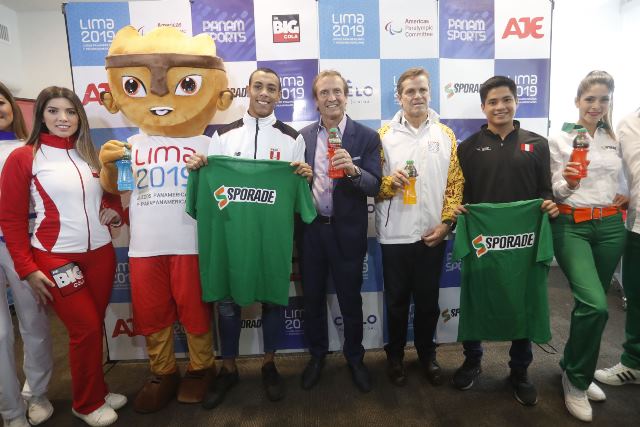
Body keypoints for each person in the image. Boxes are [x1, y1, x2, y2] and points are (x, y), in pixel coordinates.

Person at [186, 68, 312, 408]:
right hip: (230, 236)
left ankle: (269, 364)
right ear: (248, 90)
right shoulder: (223, 135)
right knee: (227, 304)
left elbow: (299, 192)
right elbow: (211, 188)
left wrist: (305, 176)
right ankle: (228, 368)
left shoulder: (292, 138)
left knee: (273, 299)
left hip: (271, 237)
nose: (264, 93)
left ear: (279, 95)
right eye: (259, 86)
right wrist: (200, 169)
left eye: (272, 88)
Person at [0, 86, 126, 427]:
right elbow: (11, 218)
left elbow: (110, 196)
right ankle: (86, 403)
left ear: (79, 117)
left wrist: (114, 212)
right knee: (84, 328)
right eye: (53, 111)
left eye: (70, 112)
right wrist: (27, 268)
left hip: (100, 254)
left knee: (94, 325)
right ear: (41, 115)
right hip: (56, 258)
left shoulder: (91, 155)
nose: (63, 118)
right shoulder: (24, 157)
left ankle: (97, 390)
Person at [454, 76, 558, 406]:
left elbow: (545, 190)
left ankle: (520, 370)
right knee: (476, 295)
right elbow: (462, 195)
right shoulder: (467, 147)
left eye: (506, 100)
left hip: (523, 242)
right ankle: (472, 361)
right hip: (483, 241)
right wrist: (460, 209)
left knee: (521, 298)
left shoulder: (537, 144)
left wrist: (548, 204)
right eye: (493, 102)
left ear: (516, 102)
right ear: (483, 107)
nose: (500, 107)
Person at [375, 67, 463, 386]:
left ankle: (427, 355)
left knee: (427, 304)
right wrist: (389, 183)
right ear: (399, 97)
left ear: (430, 93)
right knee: (396, 303)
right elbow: (372, 185)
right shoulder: (383, 135)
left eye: (422, 90)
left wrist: (446, 224)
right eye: (410, 91)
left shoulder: (445, 134)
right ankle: (395, 356)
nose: (417, 96)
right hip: (394, 235)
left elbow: (455, 185)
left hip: (432, 236)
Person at [549, 71, 628, 422]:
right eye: (590, 99)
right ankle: (577, 382)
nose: (596, 105)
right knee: (595, 305)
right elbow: (555, 189)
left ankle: (572, 365)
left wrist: (627, 194)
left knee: (589, 308)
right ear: (577, 101)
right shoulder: (561, 138)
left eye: (603, 99)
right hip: (572, 225)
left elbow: (625, 179)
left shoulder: (616, 138)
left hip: (611, 227)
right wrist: (567, 183)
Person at [299, 70, 382, 393]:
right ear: (316, 100)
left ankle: (355, 358)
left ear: (346, 96)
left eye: (337, 91)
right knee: (312, 299)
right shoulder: (303, 137)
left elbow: (374, 185)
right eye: (324, 93)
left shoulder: (366, 137)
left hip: (347, 233)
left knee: (350, 300)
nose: (331, 98)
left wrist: (353, 170)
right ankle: (317, 356)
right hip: (312, 232)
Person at [0, 82, 54, 427]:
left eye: (0, 101)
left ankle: (37, 394)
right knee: (0, 334)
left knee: (34, 323)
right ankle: (10, 411)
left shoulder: (31, 149)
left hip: (22, 246)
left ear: (12, 105)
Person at [594, 108, 640, 389]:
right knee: (636, 298)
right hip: (637, 226)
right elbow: (613, 169)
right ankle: (634, 363)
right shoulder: (626, 124)